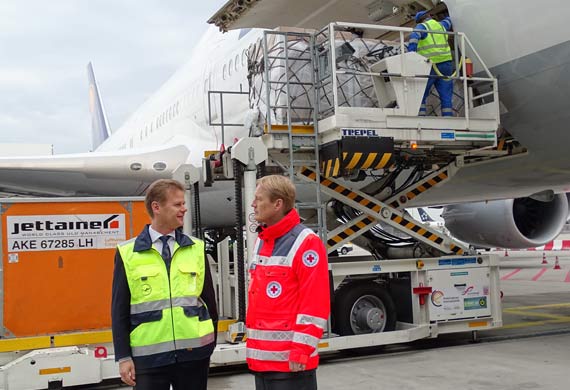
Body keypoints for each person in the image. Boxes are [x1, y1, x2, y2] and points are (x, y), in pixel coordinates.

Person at [111, 179, 218, 390]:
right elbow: (119, 310)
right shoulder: (128, 253)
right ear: (156, 207)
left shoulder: (196, 248)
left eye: (183, 204)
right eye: (177, 204)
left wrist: (208, 345)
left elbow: (209, 303)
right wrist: (123, 357)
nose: (184, 209)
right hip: (148, 359)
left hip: (193, 356)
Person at [247, 175, 330, 390]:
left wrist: (301, 350)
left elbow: (315, 303)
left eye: (258, 199)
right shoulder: (263, 241)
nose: (253, 204)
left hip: (291, 365)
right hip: (263, 363)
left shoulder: (306, 243)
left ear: (277, 204)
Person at [408, 10, 454, 117]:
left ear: (419, 21)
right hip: (446, 65)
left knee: (421, 93)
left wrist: (411, 54)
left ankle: (421, 118)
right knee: (446, 95)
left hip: (429, 65)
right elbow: (449, 20)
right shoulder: (441, 25)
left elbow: (414, 37)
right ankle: (448, 119)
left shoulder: (422, 26)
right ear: (429, 16)